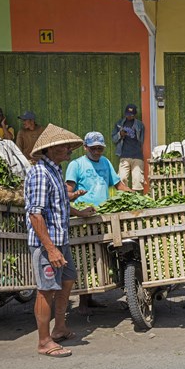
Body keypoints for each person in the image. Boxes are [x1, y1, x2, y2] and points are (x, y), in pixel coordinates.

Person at [24, 123, 95, 358]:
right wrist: (51, 249)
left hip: (61, 240)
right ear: (51, 149)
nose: (69, 150)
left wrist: (80, 213)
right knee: (46, 290)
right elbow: (36, 213)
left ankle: (59, 328)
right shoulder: (40, 173)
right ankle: (44, 342)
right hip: (47, 245)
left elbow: (60, 205)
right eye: (65, 146)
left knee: (68, 279)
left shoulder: (55, 170)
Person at [66, 131, 133, 316]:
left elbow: (118, 185)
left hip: (103, 215)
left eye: (100, 148)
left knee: (101, 254)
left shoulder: (106, 162)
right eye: (93, 148)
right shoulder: (76, 164)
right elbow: (68, 191)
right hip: (83, 217)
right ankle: (83, 301)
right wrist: (76, 199)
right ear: (85, 147)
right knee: (85, 257)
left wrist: (134, 195)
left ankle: (92, 297)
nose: (97, 151)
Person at [111, 104, 145, 192]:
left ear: (135, 114)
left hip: (137, 155)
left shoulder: (140, 125)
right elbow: (114, 139)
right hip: (124, 155)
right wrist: (120, 134)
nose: (129, 116)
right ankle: (124, 198)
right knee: (122, 178)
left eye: (131, 115)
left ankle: (137, 199)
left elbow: (141, 140)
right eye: (128, 114)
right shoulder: (119, 124)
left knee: (137, 179)